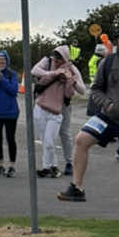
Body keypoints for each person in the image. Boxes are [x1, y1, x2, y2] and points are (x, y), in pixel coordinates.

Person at [57, 23, 119, 223]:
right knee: (82, 139)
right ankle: (77, 187)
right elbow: (96, 89)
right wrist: (107, 104)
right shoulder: (108, 62)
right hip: (110, 117)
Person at [30, 47, 86, 177]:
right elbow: (35, 71)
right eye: (55, 57)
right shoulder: (48, 62)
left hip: (61, 107)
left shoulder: (71, 68)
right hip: (42, 105)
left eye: (59, 58)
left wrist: (70, 79)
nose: (56, 60)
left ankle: (69, 163)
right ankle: (50, 166)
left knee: (63, 134)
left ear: (65, 58)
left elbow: (81, 90)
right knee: (45, 140)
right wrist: (54, 73)